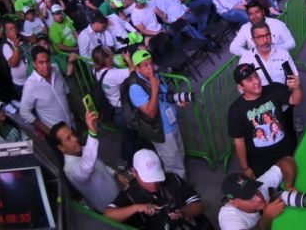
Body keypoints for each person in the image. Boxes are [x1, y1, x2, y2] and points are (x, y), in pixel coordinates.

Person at [104, 149, 211, 229]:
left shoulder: (172, 179)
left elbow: (199, 206)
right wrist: (137, 208)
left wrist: (182, 213)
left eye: (157, 178)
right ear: (134, 172)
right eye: (148, 179)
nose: (153, 184)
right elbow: (108, 215)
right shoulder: (130, 194)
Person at [228, 62, 302, 178]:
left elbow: (294, 100)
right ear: (241, 87)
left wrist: (297, 88)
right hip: (261, 163)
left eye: (256, 76)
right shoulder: (235, 110)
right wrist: (245, 168)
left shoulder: (273, 89)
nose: (256, 81)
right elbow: (239, 141)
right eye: (249, 80)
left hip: (287, 152)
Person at [124, 49, 190, 179]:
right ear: (137, 68)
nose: (150, 68)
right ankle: (180, 188)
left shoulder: (155, 75)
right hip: (160, 130)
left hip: (171, 122)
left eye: (151, 63)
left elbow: (165, 94)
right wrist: (154, 88)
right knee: (172, 164)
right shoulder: (135, 88)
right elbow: (150, 112)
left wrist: (177, 100)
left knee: (180, 153)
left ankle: (184, 183)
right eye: (145, 65)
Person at [53, 111, 120, 213]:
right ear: (61, 148)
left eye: (72, 134)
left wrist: (115, 173)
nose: (75, 139)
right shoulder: (70, 169)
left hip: (118, 193)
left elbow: (99, 165)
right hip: (110, 208)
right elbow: (86, 167)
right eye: (68, 139)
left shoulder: (84, 149)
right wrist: (92, 133)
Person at [218, 157, 300, 230]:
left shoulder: (260, 188)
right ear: (234, 203)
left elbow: (286, 161)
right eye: (249, 197)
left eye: (255, 190)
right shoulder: (228, 217)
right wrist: (267, 216)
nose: (259, 198)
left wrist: (288, 185)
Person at [19, 46, 76, 136]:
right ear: (34, 64)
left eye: (47, 61)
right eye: (41, 63)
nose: (46, 66)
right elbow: (24, 112)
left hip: (72, 123)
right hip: (58, 134)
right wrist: (48, 131)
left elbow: (65, 90)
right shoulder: (31, 85)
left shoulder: (56, 69)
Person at [230, 1, 296, 57]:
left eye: (257, 12)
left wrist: (274, 49)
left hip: (279, 59)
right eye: (251, 14)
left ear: (263, 12)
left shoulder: (277, 24)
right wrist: (252, 55)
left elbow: (291, 42)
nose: (254, 16)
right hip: (259, 64)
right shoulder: (245, 28)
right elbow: (233, 47)